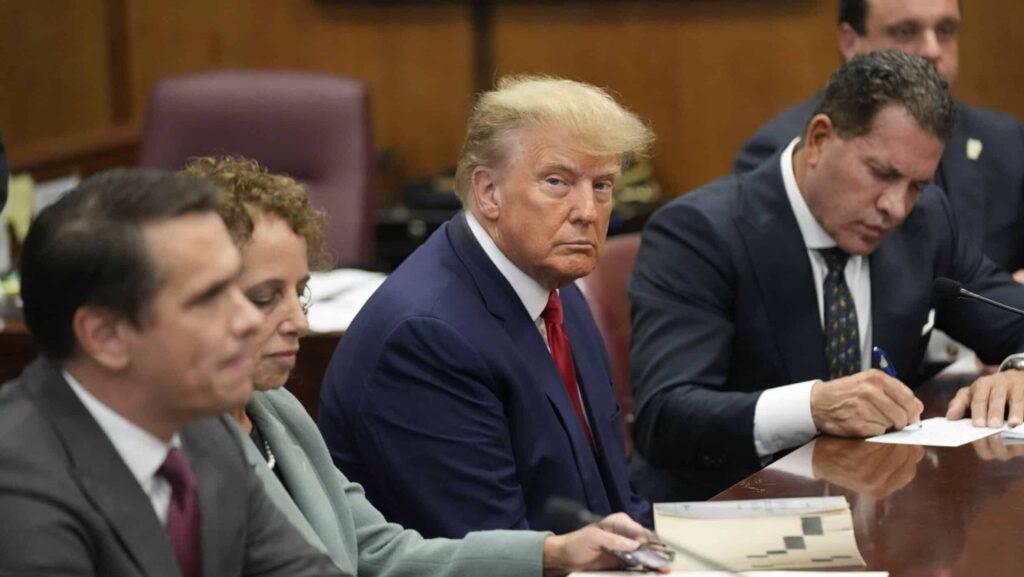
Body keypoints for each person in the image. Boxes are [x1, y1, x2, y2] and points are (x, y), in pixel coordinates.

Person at [188, 155, 660, 576]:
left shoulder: (277, 410)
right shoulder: (180, 453)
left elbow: (380, 549)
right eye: (266, 297)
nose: (299, 320)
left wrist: (554, 554)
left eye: (300, 292)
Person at [628, 51, 1024, 502]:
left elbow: (1013, 317)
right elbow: (666, 416)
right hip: (735, 516)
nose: (895, 207)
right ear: (818, 140)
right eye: (881, 174)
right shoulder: (699, 233)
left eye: (916, 185)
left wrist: (1019, 368)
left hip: (878, 517)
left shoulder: (925, 223)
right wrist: (812, 407)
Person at [319, 76, 654, 538]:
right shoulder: (426, 337)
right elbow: (490, 549)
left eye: (602, 185)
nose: (588, 211)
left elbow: (615, 500)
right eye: (557, 182)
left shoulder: (556, 285)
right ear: (488, 192)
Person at [0, 168, 349, 576]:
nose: (249, 322)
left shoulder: (204, 431)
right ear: (105, 335)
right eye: (209, 298)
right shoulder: (18, 481)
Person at [734, 0, 1024, 278]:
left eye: (945, 30)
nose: (933, 50)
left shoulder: (1007, 142)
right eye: (905, 31)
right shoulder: (781, 153)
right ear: (850, 43)